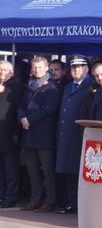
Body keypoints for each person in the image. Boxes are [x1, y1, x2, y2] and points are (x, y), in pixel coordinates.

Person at [18, 57, 61, 213]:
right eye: (34, 67)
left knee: (47, 171)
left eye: (40, 67)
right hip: (29, 134)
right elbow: (21, 105)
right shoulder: (29, 85)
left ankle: (50, 201)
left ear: (46, 67)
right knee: (32, 170)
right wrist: (22, 118)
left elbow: (48, 109)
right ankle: (35, 199)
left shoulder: (52, 86)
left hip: (44, 135)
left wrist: (28, 119)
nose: (36, 70)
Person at [54, 55, 93, 214]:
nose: (76, 70)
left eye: (79, 67)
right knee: (68, 171)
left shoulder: (91, 86)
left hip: (79, 135)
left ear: (86, 69)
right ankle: (71, 202)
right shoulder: (69, 86)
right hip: (66, 134)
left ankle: (77, 203)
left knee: (78, 171)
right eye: (73, 67)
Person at [0, 61, 25, 208]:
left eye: (4, 70)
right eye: (0, 70)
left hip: (10, 134)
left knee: (11, 168)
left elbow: (19, 110)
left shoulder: (18, 88)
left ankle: (11, 196)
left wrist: (16, 133)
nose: (2, 73)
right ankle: (1, 194)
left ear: (12, 72)